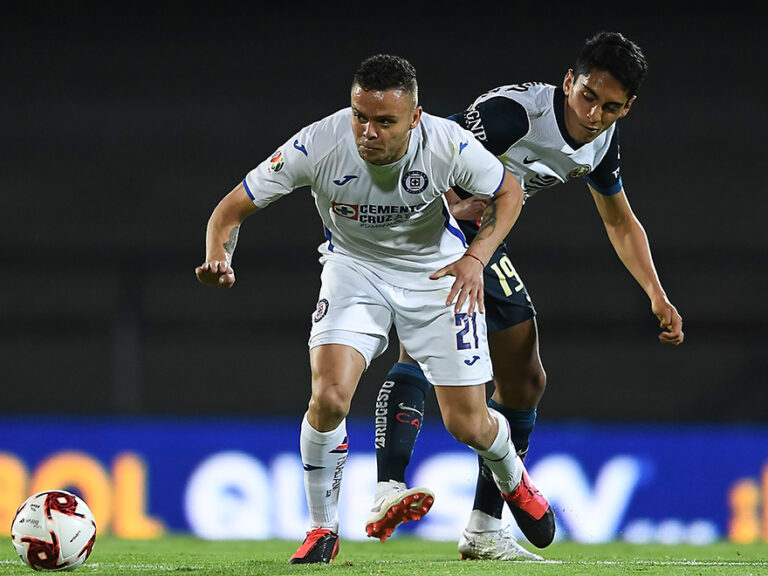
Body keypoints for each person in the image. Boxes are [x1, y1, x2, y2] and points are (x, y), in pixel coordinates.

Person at [195, 54, 555, 564]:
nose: (368, 132)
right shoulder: (318, 143)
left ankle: (514, 480)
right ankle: (322, 529)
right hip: (353, 270)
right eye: (360, 116)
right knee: (329, 397)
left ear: (415, 118)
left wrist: (477, 257)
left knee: (468, 424)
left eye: (385, 121)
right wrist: (218, 256)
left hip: (435, 273)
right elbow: (230, 209)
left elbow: (508, 190)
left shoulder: (446, 143)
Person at [367, 31, 685, 560]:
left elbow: (619, 220)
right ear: (569, 81)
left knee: (523, 378)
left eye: (610, 107)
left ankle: (479, 526)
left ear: (627, 107)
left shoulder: (602, 139)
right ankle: (393, 491)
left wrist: (656, 293)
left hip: (480, 236)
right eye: (587, 97)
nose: (594, 115)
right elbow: (426, 151)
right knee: (426, 352)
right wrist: (448, 208)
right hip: (431, 225)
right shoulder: (512, 115)